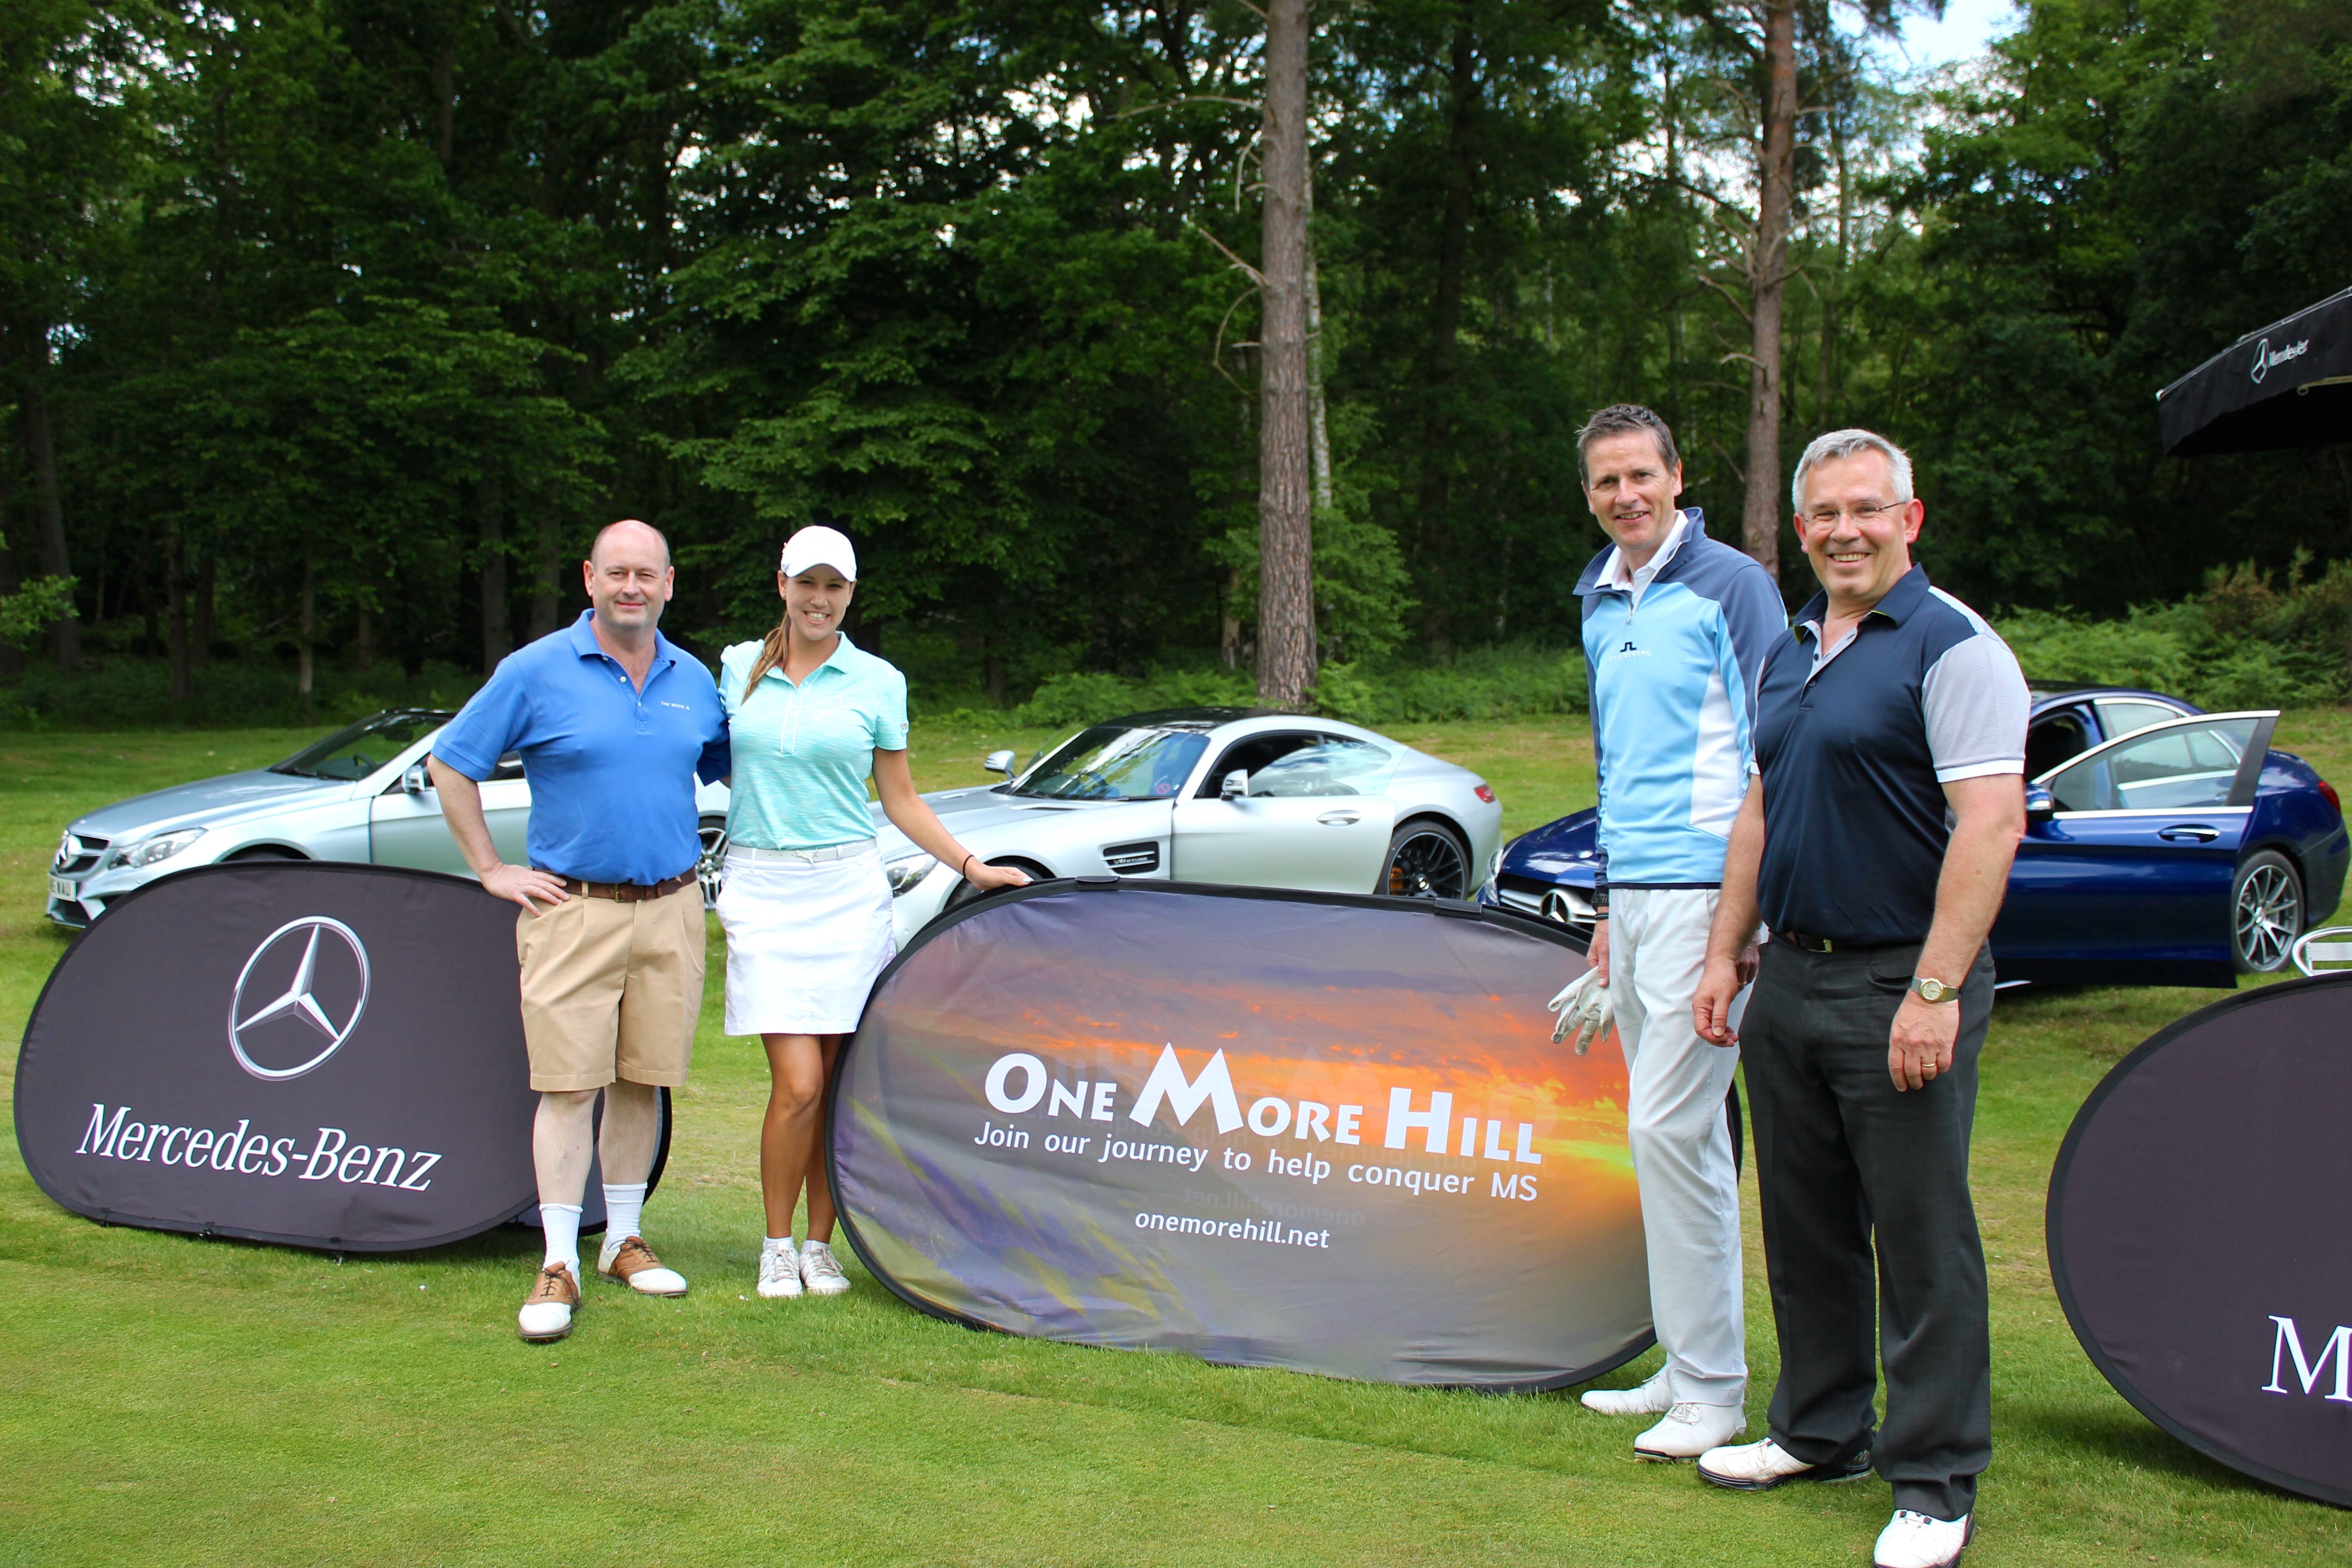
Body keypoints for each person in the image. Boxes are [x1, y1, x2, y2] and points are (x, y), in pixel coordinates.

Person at [1688, 430, 2027, 1568]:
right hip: (1791, 974)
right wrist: (1726, 952)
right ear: (1801, 529)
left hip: (1900, 980)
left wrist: (1935, 989)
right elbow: (1760, 808)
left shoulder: (1954, 646)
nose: (1847, 531)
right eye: (1826, 514)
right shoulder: (1792, 646)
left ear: (1909, 519)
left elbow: (1991, 825)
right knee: (1807, 1226)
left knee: (1921, 1239)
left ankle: (1933, 1481)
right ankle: (1820, 1431)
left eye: (1868, 509)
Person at [428, 518, 730, 1344]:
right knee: (569, 1086)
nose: (632, 587)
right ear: (590, 579)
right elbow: (451, 763)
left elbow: (732, 764)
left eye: (647, 574)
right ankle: (559, 1259)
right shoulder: (535, 670)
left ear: (669, 584)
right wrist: (490, 868)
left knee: (641, 1080)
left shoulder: (693, 678)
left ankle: (622, 1241)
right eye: (616, 573)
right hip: (573, 909)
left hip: (672, 906)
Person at [1551, 404, 1785, 1462]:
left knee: (1669, 1132)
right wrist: (1607, 908)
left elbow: (1773, 755)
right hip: (1638, 898)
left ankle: (1713, 1395)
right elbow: (1614, 766)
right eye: (1607, 481)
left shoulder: (1733, 586)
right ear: (1589, 493)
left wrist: (1742, 925)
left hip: (1707, 897)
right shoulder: (1598, 598)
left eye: (1641, 476)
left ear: (1678, 477)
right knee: (1677, 1144)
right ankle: (1691, 1367)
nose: (1626, 496)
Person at [717, 524, 1028, 1300]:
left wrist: (971, 866)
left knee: (835, 1081)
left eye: (835, 586)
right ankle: (775, 1245)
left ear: (851, 594)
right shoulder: (735, 667)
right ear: (782, 584)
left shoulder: (878, 681)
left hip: (847, 892)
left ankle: (819, 1247)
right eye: (807, 583)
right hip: (763, 890)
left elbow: (900, 798)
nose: (819, 599)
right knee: (798, 1082)